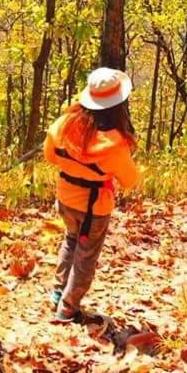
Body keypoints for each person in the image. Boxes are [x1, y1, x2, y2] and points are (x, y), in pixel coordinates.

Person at [43, 67, 141, 323]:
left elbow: (50, 156)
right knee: (86, 257)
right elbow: (130, 181)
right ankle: (68, 307)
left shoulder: (64, 124)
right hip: (94, 209)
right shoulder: (114, 144)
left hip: (65, 197)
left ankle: (57, 292)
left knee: (71, 240)